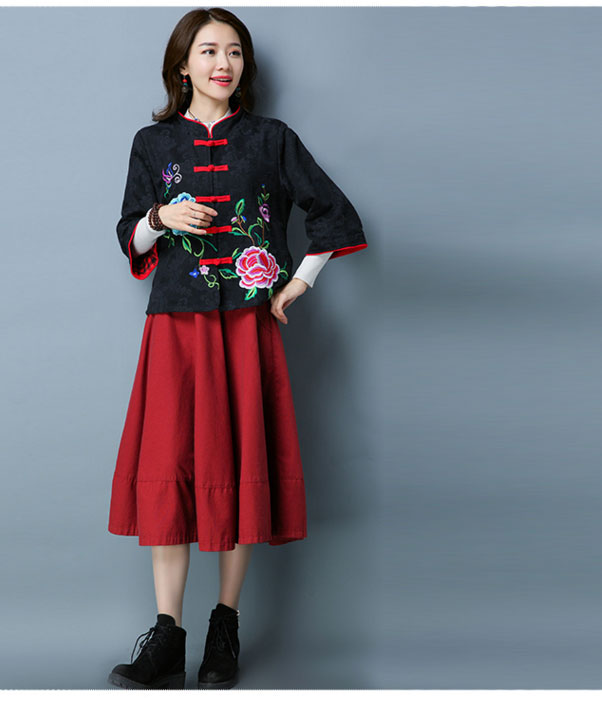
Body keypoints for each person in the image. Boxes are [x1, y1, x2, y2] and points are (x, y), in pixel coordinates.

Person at [106, 7, 367, 690]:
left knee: (241, 462)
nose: (223, 63)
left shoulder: (272, 139)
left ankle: (225, 627)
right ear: (182, 65)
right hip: (175, 329)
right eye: (208, 50)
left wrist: (298, 282)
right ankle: (167, 636)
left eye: (234, 51)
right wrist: (160, 217)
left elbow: (333, 214)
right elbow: (130, 234)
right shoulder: (152, 143)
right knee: (169, 467)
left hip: (247, 327)